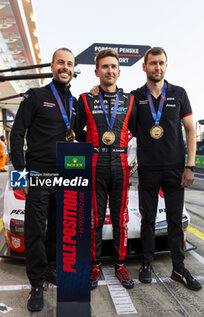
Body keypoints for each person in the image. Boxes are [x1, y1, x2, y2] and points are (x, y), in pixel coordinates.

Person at [10, 48, 77, 311]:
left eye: (70, 64)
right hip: (38, 175)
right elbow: (17, 134)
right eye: (61, 62)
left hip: (66, 175)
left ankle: (51, 268)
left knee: (59, 227)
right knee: (36, 229)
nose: (65, 67)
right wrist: (20, 174)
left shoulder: (74, 101)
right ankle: (36, 283)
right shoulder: (35, 96)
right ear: (52, 66)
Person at [131, 47, 202, 291]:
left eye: (161, 63)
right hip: (148, 169)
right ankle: (147, 262)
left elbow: (190, 129)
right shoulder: (135, 97)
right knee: (148, 220)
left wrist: (190, 166)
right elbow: (122, 125)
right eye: (153, 63)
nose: (157, 67)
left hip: (175, 169)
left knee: (174, 221)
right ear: (144, 67)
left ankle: (179, 268)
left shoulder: (179, 93)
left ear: (166, 66)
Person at [75, 49, 137, 290]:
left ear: (119, 72)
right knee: (95, 219)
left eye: (113, 67)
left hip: (120, 166)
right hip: (94, 165)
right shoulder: (85, 99)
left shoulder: (130, 100)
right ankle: (94, 264)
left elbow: (137, 132)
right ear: (96, 71)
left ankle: (121, 265)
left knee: (121, 218)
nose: (109, 71)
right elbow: (74, 132)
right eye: (105, 67)